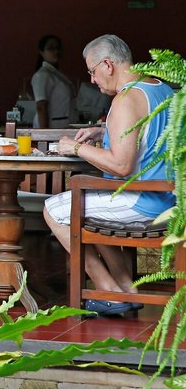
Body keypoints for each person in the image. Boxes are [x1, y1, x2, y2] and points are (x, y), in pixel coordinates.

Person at [43, 35, 174, 315]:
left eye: (92, 71)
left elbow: (121, 165)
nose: (92, 79)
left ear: (108, 65)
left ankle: (107, 290)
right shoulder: (161, 89)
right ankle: (126, 289)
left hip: (146, 204)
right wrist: (102, 131)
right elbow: (146, 131)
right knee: (92, 203)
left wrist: (75, 147)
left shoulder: (125, 99)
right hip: (172, 200)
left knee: (54, 210)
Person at [31, 35, 76, 128]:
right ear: (41, 52)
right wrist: (44, 134)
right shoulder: (42, 75)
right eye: (51, 48)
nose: (56, 51)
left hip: (62, 126)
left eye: (58, 48)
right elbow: (41, 107)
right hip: (51, 128)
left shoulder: (57, 74)